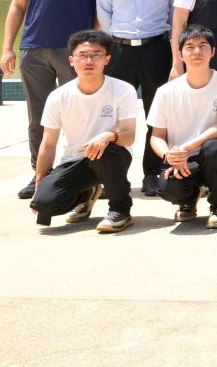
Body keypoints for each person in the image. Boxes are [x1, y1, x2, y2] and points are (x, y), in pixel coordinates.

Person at [1, 0, 110, 197]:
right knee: (38, 116)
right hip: (34, 47)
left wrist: (92, 45)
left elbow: (103, 5)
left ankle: (87, 176)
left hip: (77, 52)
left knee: (83, 115)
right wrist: (7, 47)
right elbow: (18, 5)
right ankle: (40, 174)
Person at [95, 0, 180, 198]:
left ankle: (151, 173)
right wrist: (114, 44)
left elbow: (176, 17)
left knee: (158, 114)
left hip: (157, 48)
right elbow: (104, 14)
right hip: (119, 50)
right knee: (112, 114)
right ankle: (112, 175)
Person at [27, 29, 139, 233]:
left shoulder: (123, 90)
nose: (89, 60)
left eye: (96, 55)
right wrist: (40, 184)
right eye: (83, 55)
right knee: (43, 205)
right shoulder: (58, 96)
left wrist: (109, 136)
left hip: (112, 157)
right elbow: (48, 144)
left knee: (104, 150)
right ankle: (86, 194)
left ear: (107, 59)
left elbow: (129, 136)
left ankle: (120, 210)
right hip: (74, 160)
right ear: (71, 60)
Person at [147, 26, 217, 227]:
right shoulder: (166, 91)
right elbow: (157, 136)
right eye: (189, 47)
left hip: (216, 156)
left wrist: (184, 148)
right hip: (182, 159)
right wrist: (169, 155)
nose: (196, 51)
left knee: (214, 148)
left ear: (213, 52)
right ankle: (188, 200)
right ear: (180, 54)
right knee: (168, 188)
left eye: (202, 46)